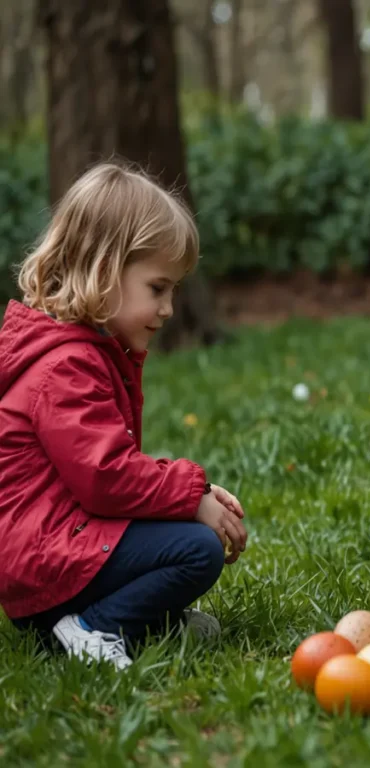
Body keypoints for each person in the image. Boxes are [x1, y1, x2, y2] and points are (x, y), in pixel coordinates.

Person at [0, 162, 249, 670]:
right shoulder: (65, 366)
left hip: (54, 555)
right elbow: (106, 479)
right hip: (46, 565)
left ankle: (139, 621)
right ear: (104, 270)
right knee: (197, 550)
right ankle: (96, 627)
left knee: (186, 535)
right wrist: (190, 497)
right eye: (157, 288)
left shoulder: (84, 351)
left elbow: (106, 471)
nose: (169, 308)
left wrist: (192, 494)